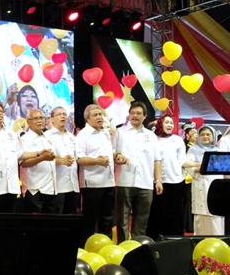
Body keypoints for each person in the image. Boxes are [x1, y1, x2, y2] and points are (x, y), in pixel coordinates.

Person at [113, 102, 163, 242]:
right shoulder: (119, 132)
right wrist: (117, 157)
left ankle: (137, 248)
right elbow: (111, 153)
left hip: (145, 183)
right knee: (122, 219)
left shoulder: (151, 136)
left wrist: (158, 180)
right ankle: (122, 247)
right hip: (124, 181)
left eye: (139, 113)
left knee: (142, 219)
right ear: (129, 115)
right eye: (132, 113)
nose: (135, 116)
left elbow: (157, 159)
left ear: (145, 116)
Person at [146, 114, 200, 240]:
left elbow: (182, 161)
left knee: (174, 213)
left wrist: (198, 164)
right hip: (156, 181)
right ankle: (154, 240)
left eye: (171, 123)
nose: (170, 125)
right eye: (167, 122)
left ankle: (174, 240)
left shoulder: (177, 140)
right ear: (160, 123)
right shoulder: (152, 139)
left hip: (175, 181)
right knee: (156, 212)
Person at [75, 104, 116, 247]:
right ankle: (84, 247)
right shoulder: (82, 136)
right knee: (90, 219)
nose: (99, 117)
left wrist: (116, 157)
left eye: (100, 114)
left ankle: (106, 246)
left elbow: (109, 154)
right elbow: (79, 159)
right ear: (87, 119)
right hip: (92, 183)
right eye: (95, 115)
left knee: (107, 218)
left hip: (109, 181)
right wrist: (97, 161)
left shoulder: (105, 132)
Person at [18, 109, 59, 213]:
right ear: (28, 122)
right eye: (35, 118)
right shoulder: (24, 139)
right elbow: (23, 163)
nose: (40, 121)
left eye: (41, 118)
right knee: (36, 225)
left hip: (51, 188)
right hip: (34, 189)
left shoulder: (48, 138)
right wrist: (42, 158)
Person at [187, 126, 224, 235]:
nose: (205, 137)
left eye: (208, 134)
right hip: (200, 185)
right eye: (202, 135)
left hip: (216, 185)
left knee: (216, 217)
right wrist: (206, 166)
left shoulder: (218, 151)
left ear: (213, 136)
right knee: (202, 219)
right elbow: (189, 168)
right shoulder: (193, 149)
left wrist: (205, 166)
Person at [44, 107, 80, 214]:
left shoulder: (71, 137)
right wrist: (61, 160)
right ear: (52, 119)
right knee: (57, 220)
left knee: (72, 219)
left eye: (64, 114)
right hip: (57, 186)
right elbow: (43, 159)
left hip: (73, 185)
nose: (63, 116)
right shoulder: (46, 136)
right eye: (59, 114)